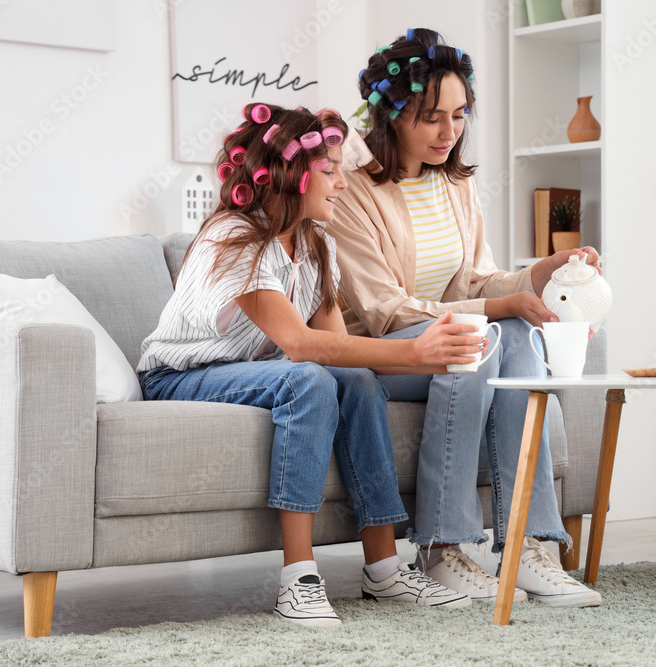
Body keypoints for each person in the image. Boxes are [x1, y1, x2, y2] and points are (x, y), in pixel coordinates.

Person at [137, 104, 481, 627]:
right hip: (177, 376)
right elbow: (299, 346)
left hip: (256, 374)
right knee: (309, 380)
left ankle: (384, 568)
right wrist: (414, 352)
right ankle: (298, 579)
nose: (343, 183)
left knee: (356, 381)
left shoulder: (316, 245)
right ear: (292, 174)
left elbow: (340, 349)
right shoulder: (233, 238)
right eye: (331, 170)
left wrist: (427, 357)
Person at [329, 29, 603, 608]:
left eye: (458, 116)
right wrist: (492, 309)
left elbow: (477, 282)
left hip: (451, 338)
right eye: (431, 118)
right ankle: (441, 545)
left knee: (518, 333)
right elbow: (383, 310)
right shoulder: (350, 191)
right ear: (392, 114)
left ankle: (529, 544)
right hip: (383, 354)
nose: (448, 132)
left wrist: (541, 274)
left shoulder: (456, 183)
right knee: (478, 337)